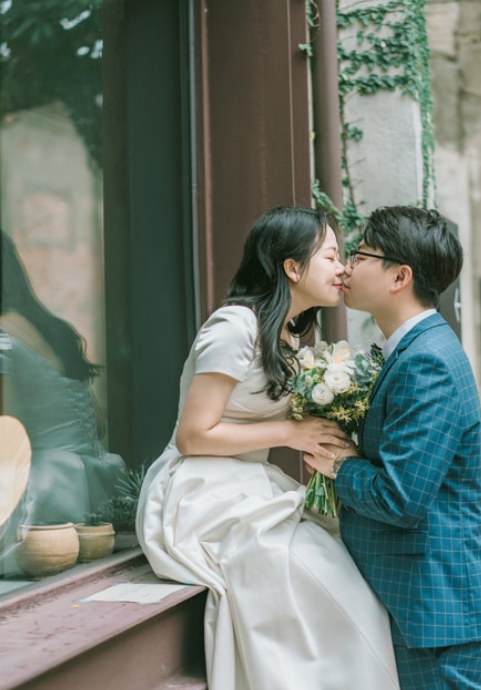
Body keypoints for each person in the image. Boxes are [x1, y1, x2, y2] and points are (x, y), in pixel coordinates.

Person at [137, 207, 400, 690]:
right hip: (199, 490)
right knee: (316, 576)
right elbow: (192, 436)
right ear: (292, 267)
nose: (343, 268)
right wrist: (290, 434)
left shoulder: (291, 337)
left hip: (248, 486)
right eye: (331, 256)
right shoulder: (234, 326)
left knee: (347, 577)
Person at [304, 205, 481, 690]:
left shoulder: (427, 362)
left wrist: (338, 465)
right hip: (423, 604)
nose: (348, 267)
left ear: (400, 276)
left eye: (360, 254)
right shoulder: (415, 350)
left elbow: (401, 499)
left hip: (437, 611)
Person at [0, 224, 127, 573]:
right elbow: (96, 425)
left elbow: (4, 441)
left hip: (35, 503)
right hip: (96, 489)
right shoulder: (55, 330)